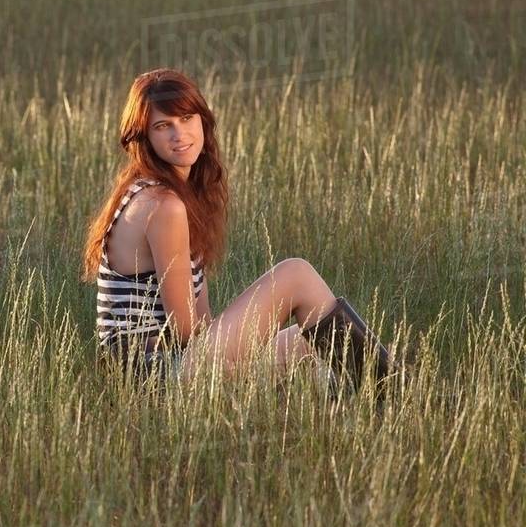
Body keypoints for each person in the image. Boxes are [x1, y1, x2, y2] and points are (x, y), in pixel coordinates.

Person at [80, 68, 401, 396]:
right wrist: (245, 363)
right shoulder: (163, 205)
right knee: (295, 274)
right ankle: (391, 393)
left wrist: (244, 360)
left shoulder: (168, 194)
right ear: (144, 137)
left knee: (317, 343)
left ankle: (368, 394)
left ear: (203, 121)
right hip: (150, 376)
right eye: (163, 126)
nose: (180, 135)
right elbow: (187, 330)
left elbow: (200, 325)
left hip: (172, 364)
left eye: (187, 118)